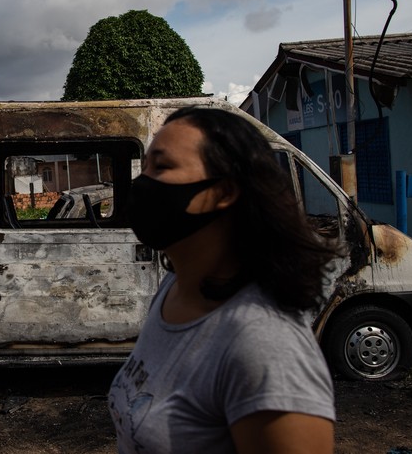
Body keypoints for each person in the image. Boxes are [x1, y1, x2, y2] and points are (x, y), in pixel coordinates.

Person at [108, 107, 338, 454]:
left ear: (223, 192)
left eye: (162, 167)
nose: (142, 184)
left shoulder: (265, 344)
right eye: (145, 169)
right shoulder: (175, 289)